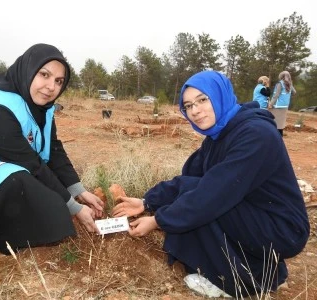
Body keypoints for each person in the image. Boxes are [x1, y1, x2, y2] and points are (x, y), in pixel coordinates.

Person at [113, 70, 309, 298]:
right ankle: (259, 270)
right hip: (257, 217)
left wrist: (159, 220)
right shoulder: (219, 135)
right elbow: (190, 179)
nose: (195, 111)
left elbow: (211, 195)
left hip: (281, 229)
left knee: (205, 204)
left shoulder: (256, 135)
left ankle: (233, 283)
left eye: (202, 100)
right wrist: (147, 201)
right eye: (188, 106)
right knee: (196, 193)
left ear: (219, 95)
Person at [0, 43, 104, 254]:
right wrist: (73, 207)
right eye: (44, 74)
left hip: (2, 166)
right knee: (33, 193)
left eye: (58, 81)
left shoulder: (43, 106)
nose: (51, 87)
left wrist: (79, 191)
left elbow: (54, 150)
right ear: (29, 70)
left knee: (45, 199)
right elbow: (30, 163)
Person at [268, 71, 297, 136]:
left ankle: (274, 137)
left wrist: (271, 104)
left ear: (281, 76)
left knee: (274, 122)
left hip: (277, 106)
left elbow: (276, 96)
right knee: (281, 123)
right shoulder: (290, 84)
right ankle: (280, 137)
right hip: (285, 106)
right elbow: (294, 92)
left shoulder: (280, 84)